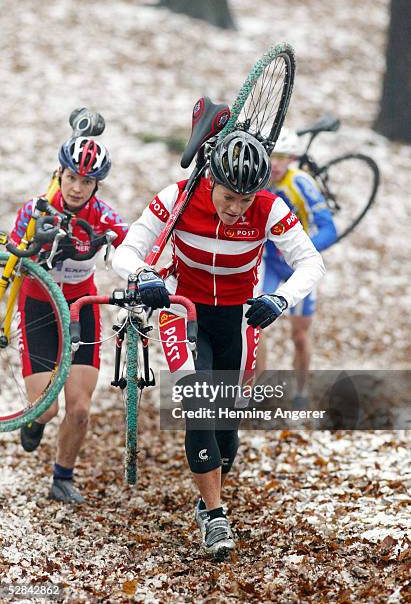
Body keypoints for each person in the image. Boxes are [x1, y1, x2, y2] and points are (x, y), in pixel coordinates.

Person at [112, 129, 325, 559]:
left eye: (245, 200)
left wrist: (280, 298)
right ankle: (214, 515)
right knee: (198, 404)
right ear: (212, 180)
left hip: (237, 317)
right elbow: (126, 251)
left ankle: (216, 469)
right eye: (229, 197)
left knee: (226, 428)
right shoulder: (179, 196)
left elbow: (311, 262)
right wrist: (145, 275)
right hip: (183, 310)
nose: (236, 209)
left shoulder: (268, 208)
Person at [11, 136, 128, 504]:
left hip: (82, 306)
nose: (77, 188)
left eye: (87, 182)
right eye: (72, 178)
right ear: (59, 173)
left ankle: (62, 477)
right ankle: (34, 420)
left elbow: (134, 251)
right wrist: (38, 246)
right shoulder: (35, 209)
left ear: (96, 185)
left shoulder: (103, 216)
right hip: (38, 307)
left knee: (78, 409)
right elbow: (13, 259)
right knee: (47, 409)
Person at [256, 128, 337, 407]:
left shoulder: (301, 182)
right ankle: (256, 391)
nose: (275, 164)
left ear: (291, 159)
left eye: (282, 158)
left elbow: (329, 228)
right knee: (255, 328)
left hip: (295, 265)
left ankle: (301, 391)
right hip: (267, 261)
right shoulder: (256, 178)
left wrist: (302, 250)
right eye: (271, 156)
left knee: (300, 335)